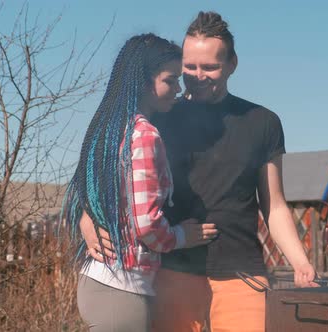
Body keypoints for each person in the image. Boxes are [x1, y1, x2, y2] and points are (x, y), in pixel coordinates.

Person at [82, 11, 318, 332]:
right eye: (189, 67)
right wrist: (88, 218)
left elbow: (273, 205)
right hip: (171, 271)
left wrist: (300, 262)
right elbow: (111, 179)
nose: (197, 75)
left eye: (210, 67)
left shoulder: (263, 122)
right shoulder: (159, 117)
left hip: (240, 273)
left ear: (232, 64)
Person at [61, 33, 218, 332]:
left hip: (98, 283)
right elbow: (146, 225)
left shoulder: (109, 129)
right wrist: (182, 236)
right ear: (145, 82)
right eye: (170, 80)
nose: (178, 89)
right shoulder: (145, 135)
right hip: (123, 290)